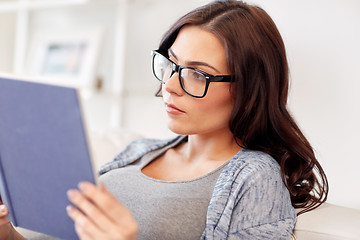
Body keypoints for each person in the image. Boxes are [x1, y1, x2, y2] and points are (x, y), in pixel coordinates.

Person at [0, 0, 328, 239]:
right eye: (170, 64)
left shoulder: (255, 178)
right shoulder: (138, 150)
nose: (169, 85)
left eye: (198, 74)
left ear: (249, 89)